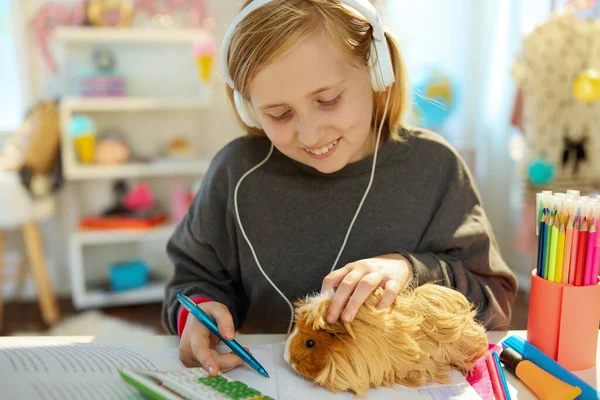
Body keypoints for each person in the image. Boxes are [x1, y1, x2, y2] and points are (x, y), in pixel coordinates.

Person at [161, 0, 517, 377]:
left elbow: (494, 305)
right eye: (279, 114)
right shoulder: (236, 173)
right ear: (248, 108)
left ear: (377, 71)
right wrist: (198, 313)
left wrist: (410, 270)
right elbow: (192, 280)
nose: (310, 134)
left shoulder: (435, 168)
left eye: (328, 101)